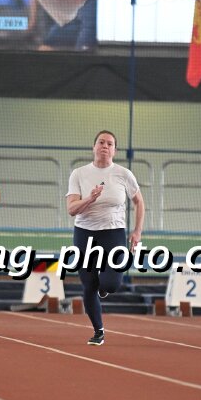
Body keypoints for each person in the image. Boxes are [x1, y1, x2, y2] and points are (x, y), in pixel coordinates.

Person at [66, 130, 145, 346]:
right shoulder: (79, 174)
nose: (105, 146)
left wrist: (137, 231)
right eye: (101, 142)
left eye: (110, 144)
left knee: (111, 284)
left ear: (115, 150)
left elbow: (139, 202)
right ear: (94, 147)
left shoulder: (123, 174)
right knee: (88, 285)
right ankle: (98, 331)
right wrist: (89, 199)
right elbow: (71, 209)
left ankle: (104, 287)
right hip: (85, 234)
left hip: (113, 233)